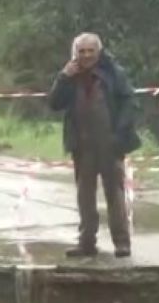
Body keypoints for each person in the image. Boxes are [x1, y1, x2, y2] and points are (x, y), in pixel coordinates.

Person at [48, 33, 141, 258]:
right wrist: (63, 77)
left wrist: (119, 134)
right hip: (82, 145)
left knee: (115, 195)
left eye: (91, 51)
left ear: (98, 52)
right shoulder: (70, 75)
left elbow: (130, 102)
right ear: (75, 53)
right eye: (82, 51)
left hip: (110, 144)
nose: (86, 55)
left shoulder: (113, 73)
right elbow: (54, 103)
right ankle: (86, 243)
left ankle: (122, 243)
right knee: (85, 196)